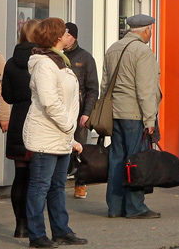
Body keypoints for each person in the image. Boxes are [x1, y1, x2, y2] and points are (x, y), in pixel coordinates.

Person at [24, 18, 87, 248]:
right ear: (57, 37)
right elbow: (49, 101)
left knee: (57, 186)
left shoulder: (60, 61)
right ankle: (36, 235)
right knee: (40, 187)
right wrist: (70, 126)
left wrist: (69, 134)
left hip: (60, 135)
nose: (68, 35)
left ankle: (61, 230)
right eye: (65, 32)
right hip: (46, 135)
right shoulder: (45, 64)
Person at [102, 14, 161, 219]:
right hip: (135, 114)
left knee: (117, 159)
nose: (151, 33)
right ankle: (135, 207)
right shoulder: (142, 52)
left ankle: (115, 207)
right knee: (136, 160)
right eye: (150, 30)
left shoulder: (113, 48)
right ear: (146, 30)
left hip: (115, 113)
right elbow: (145, 89)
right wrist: (150, 119)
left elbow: (105, 85)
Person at [1, 19, 39, 238]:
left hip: (18, 118)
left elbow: (7, 95)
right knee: (36, 177)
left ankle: (20, 226)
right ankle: (34, 225)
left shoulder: (11, 62)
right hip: (37, 118)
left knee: (20, 175)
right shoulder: (42, 60)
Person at [62, 23, 98, 200]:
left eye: (67, 35)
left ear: (74, 37)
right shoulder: (57, 56)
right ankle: (58, 184)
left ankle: (80, 184)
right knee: (61, 148)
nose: (64, 37)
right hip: (62, 111)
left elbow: (92, 89)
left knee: (80, 150)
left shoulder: (85, 58)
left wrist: (87, 112)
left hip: (79, 112)